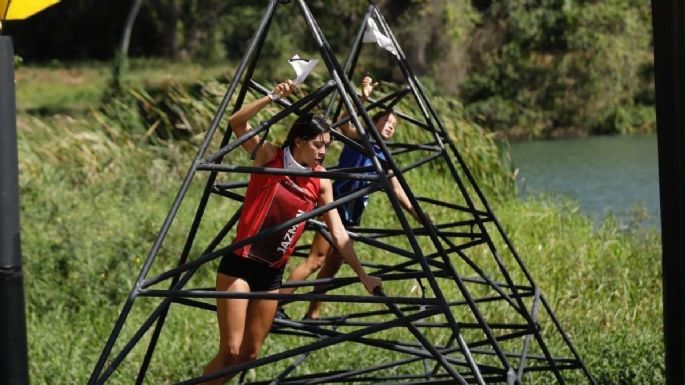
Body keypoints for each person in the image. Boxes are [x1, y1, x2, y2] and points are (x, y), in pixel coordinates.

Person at [202, 79, 382, 385]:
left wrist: (364, 276)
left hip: (272, 274)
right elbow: (237, 122)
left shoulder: (321, 180)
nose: (323, 152)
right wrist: (271, 97)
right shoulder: (268, 156)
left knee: (249, 356)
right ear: (298, 141)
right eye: (317, 144)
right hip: (240, 266)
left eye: (327, 145)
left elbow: (338, 234)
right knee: (231, 351)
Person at [281, 76, 421, 320]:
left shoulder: (384, 156)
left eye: (394, 125)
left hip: (353, 214)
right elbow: (344, 123)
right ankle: (276, 306)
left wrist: (421, 216)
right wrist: (363, 97)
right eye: (386, 121)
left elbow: (398, 191)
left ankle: (312, 315)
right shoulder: (358, 139)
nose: (390, 126)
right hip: (335, 206)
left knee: (332, 266)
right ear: (372, 122)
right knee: (315, 260)